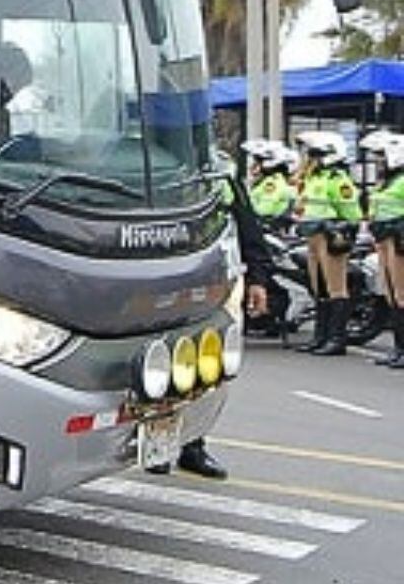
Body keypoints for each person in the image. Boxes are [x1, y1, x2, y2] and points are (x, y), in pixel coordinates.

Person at [155, 147, 276, 480]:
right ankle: (159, 444)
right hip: (172, 278)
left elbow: (246, 221)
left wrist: (259, 278)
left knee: (210, 366)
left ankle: (193, 444)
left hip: (220, 278)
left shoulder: (221, 167)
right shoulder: (157, 162)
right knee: (167, 366)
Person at [291, 130, 360, 356]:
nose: (310, 159)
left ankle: (336, 338)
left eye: (315, 155)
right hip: (312, 235)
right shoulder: (314, 178)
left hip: (330, 235)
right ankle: (320, 336)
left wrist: (341, 231)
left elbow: (351, 212)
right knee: (318, 287)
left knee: (335, 287)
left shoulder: (338, 180)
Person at [358, 130, 404, 369]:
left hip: (399, 240)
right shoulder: (388, 182)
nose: (378, 161)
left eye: (381, 156)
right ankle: (398, 348)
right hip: (384, 239)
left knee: (402, 294)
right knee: (391, 294)